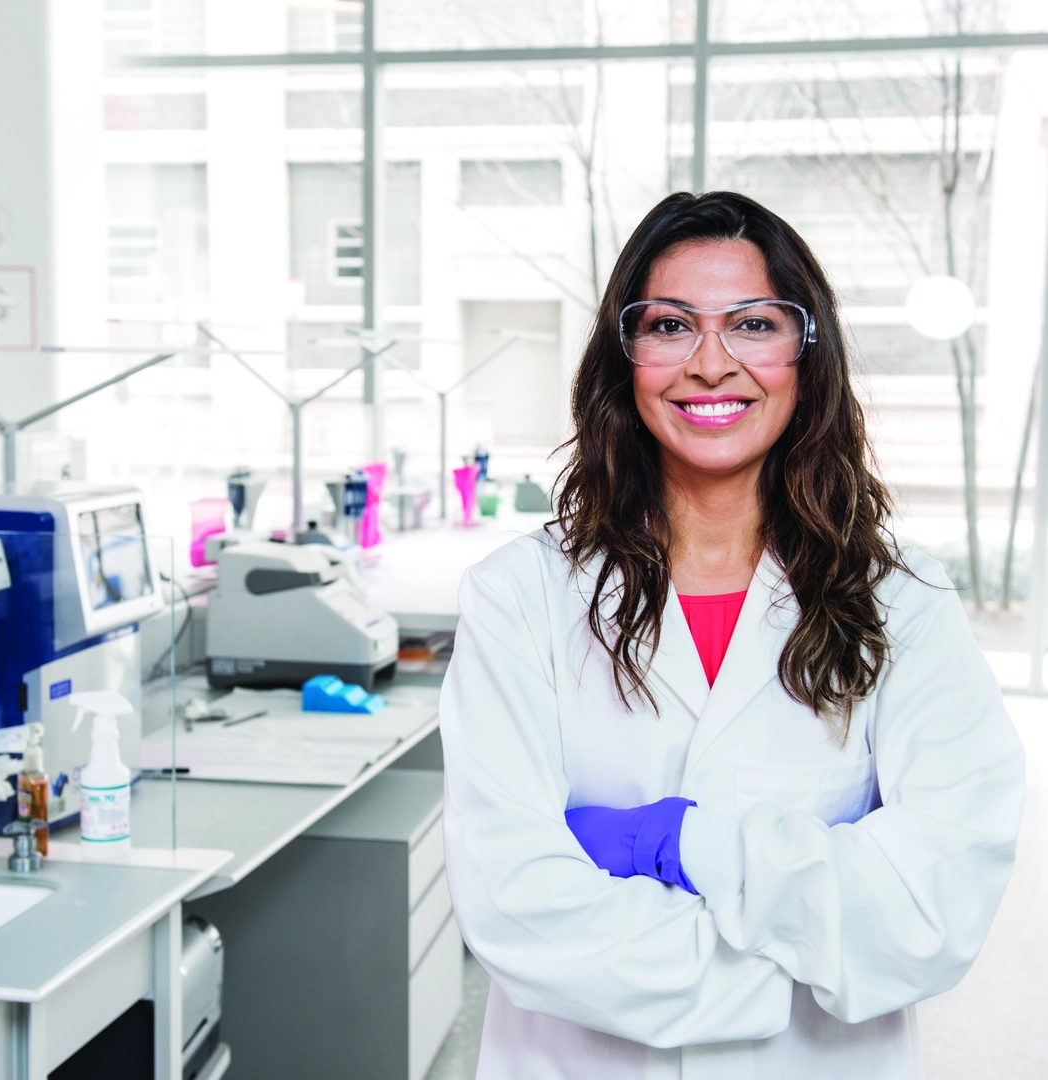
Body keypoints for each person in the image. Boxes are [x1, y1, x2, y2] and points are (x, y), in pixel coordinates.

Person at [438, 191, 1025, 1080]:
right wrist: (809, 963)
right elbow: (517, 909)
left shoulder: (903, 601)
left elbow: (934, 903)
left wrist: (685, 846)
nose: (710, 364)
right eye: (669, 325)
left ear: (805, 357)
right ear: (624, 359)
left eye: (753, 324)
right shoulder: (520, 596)